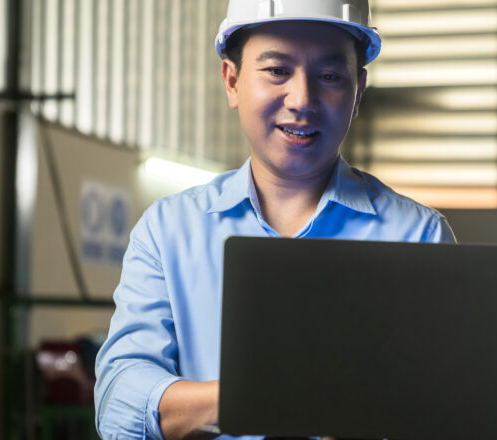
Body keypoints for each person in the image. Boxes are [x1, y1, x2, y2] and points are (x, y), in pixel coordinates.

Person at [94, 1, 456, 439]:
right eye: (277, 71)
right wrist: (266, 396)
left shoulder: (417, 237)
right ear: (231, 81)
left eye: (329, 76)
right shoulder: (168, 231)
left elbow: (445, 412)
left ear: (358, 90)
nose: (302, 100)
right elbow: (119, 403)